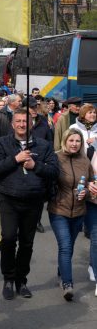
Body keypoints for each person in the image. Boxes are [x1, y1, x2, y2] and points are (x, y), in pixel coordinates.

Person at [0, 109, 59, 300]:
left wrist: (34, 166)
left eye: (25, 121)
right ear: (12, 124)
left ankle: (22, 280)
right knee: (9, 238)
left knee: (27, 243)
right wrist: (15, 159)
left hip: (33, 201)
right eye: (18, 121)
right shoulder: (3, 143)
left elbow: (54, 171)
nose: (21, 124)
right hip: (9, 199)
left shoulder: (44, 145)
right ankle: (9, 278)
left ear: (31, 124)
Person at [48, 128, 94, 301]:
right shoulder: (56, 158)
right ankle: (68, 284)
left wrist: (87, 193)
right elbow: (48, 181)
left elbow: (91, 184)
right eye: (71, 140)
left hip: (79, 211)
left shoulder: (85, 160)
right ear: (65, 141)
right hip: (58, 209)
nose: (74, 144)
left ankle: (61, 272)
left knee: (70, 246)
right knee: (66, 246)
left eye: (78, 141)